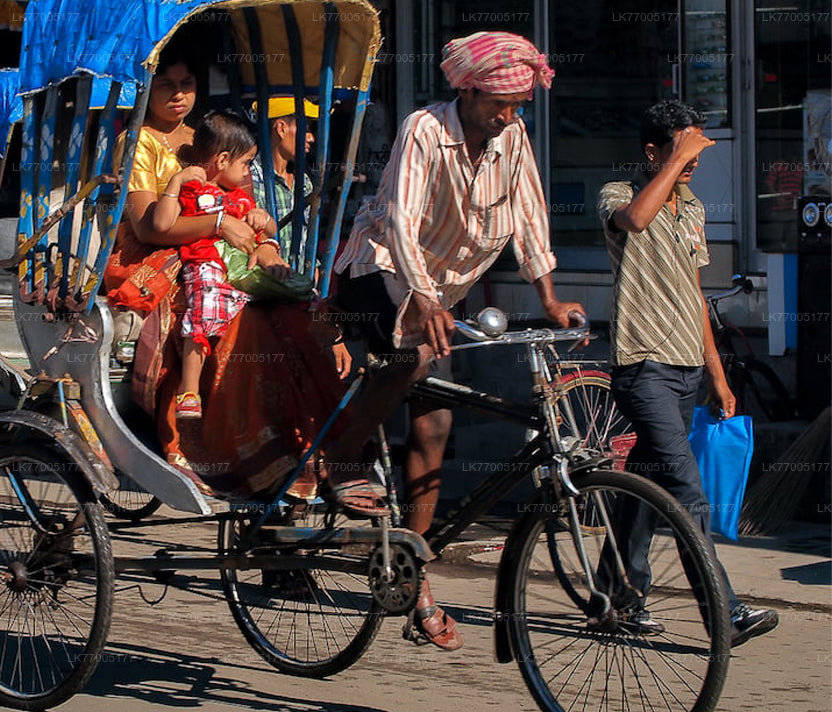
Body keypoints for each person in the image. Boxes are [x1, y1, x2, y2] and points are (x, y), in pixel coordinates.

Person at [327, 31, 586, 651]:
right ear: (466, 91)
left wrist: (549, 298)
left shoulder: (511, 139)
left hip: (441, 293)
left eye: (518, 105)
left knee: (434, 427)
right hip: (377, 273)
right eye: (499, 103)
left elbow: (528, 215)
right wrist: (420, 296)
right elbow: (399, 218)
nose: (508, 115)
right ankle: (337, 453)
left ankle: (414, 580)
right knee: (413, 356)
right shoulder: (424, 128)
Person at [102, 50, 376, 514]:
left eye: (186, 81)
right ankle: (224, 449)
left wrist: (270, 258)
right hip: (160, 260)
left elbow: (248, 217)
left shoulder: (210, 135)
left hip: (228, 255)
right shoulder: (139, 141)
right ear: (147, 88)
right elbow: (151, 228)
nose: (178, 94)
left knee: (295, 319)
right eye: (165, 85)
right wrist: (217, 226)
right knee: (235, 324)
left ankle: (320, 454)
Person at [599, 99, 779, 646]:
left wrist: (718, 376)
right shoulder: (620, 195)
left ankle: (616, 599)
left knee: (644, 490)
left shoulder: (693, 208)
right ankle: (724, 612)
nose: (692, 163)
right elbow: (635, 222)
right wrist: (676, 161)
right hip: (641, 364)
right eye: (681, 151)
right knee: (686, 491)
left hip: (685, 368)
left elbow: (694, 295)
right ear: (652, 151)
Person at [151, 111, 282, 419]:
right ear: (222, 160)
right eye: (246, 163)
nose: (249, 171)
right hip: (207, 267)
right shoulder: (193, 191)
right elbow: (161, 223)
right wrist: (177, 181)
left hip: (240, 270)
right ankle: (190, 389)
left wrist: (265, 221)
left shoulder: (239, 199)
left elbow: (267, 230)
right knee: (203, 310)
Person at [249, 97, 317, 251]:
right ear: (281, 128)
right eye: (305, 129)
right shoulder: (251, 179)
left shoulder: (304, 182)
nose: (311, 138)